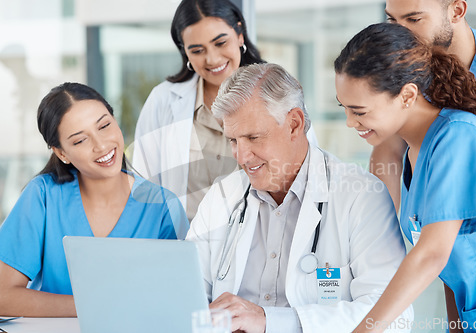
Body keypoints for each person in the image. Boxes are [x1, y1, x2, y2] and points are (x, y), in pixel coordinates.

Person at [186, 63, 413, 333]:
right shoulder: (221, 198)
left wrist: (270, 321)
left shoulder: (361, 196)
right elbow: (185, 298)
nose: (241, 157)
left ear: (294, 124)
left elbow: (392, 317)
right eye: (234, 140)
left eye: (253, 137)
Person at [334, 23, 476, 332]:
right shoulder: (411, 151)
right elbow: (449, 266)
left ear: (407, 95)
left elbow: (432, 254)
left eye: (359, 111)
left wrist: (365, 329)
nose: (349, 122)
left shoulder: (459, 137)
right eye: (343, 108)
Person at [0, 83, 189, 317]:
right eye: (80, 141)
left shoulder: (162, 207)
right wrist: (96, 306)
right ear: (62, 153)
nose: (101, 145)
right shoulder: (43, 197)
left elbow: (181, 297)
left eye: (104, 126)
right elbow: (3, 296)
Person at [133, 0, 318, 221]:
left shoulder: (278, 92)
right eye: (197, 50)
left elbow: (306, 170)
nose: (212, 59)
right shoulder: (163, 101)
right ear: (185, 52)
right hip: (186, 245)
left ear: (239, 34)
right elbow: (144, 186)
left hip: (263, 241)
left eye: (220, 43)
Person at [371, 0, 476, 211]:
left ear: (456, 11)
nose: (400, 35)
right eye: (392, 20)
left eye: (414, 19)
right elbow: (390, 151)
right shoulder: (405, 68)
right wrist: (382, 228)